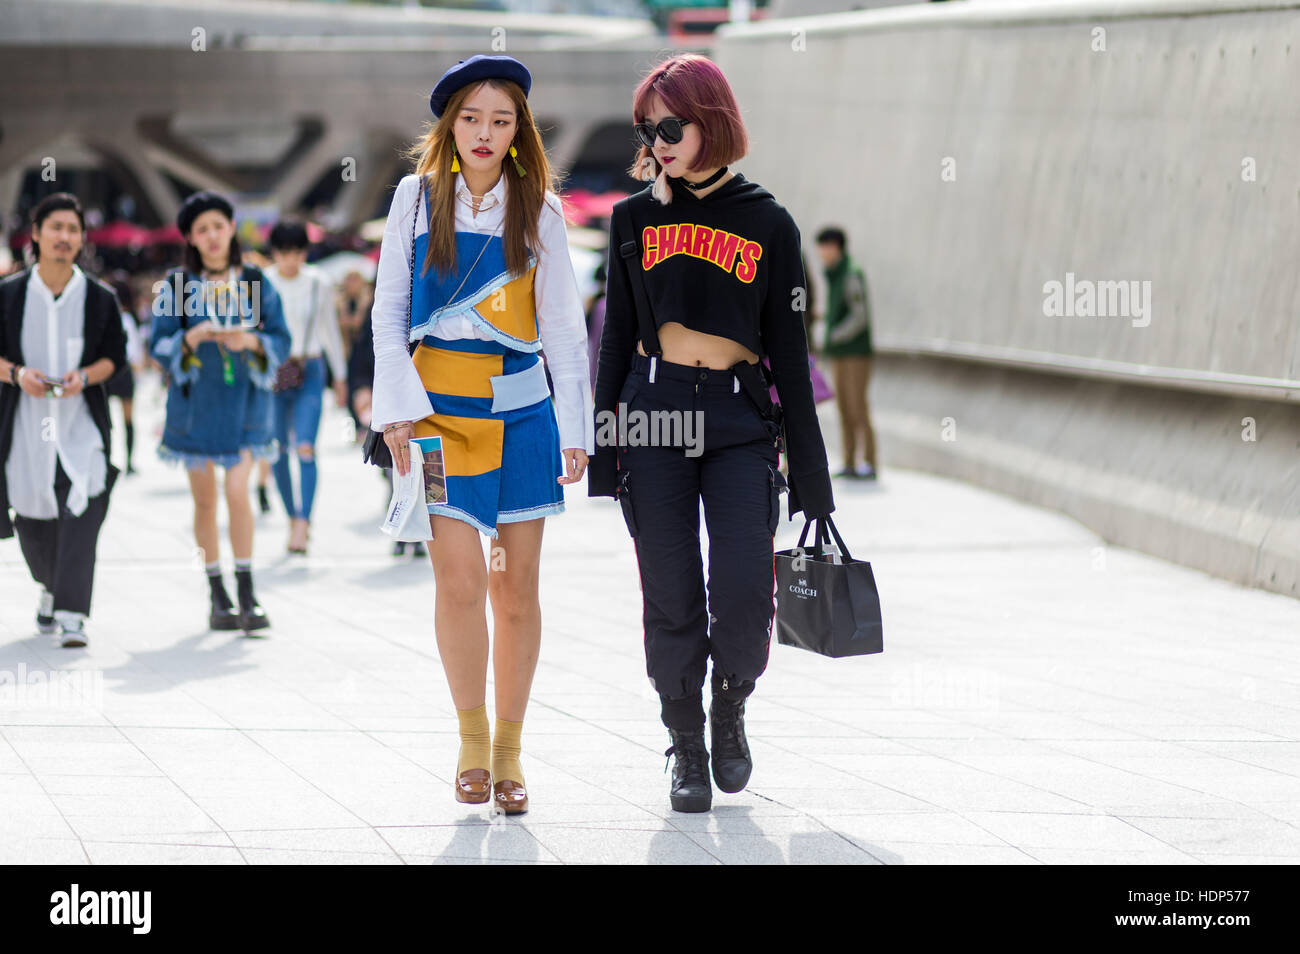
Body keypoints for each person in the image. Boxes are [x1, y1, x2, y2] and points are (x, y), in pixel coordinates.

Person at [590, 53, 835, 813]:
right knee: (667, 593)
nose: (658, 140)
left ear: (712, 121)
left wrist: (815, 480)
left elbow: (789, 356)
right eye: (647, 128)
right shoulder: (633, 219)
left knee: (740, 591)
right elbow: (617, 333)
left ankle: (730, 703)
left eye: (672, 125)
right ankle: (686, 744)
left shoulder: (769, 222)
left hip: (737, 419)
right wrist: (606, 447)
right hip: (656, 410)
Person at [370, 54, 593, 815]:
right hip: (436, 423)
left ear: (519, 131)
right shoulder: (413, 198)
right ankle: (469, 746)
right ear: (450, 126)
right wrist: (396, 415)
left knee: (516, 589)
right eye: (472, 118)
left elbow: (564, 328)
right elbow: (388, 312)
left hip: (523, 415)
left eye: (501, 120)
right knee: (459, 581)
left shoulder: (544, 210)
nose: (485, 133)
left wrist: (577, 429)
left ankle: (510, 754)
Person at [149, 191, 290, 635]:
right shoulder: (175, 284)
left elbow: (281, 339)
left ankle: (247, 589)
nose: (211, 236)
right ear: (190, 237)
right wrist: (191, 339)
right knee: (206, 499)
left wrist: (250, 341)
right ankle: (217, 592)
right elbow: (158, 342)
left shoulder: (256, 279)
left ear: (232, 228)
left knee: (236, 491)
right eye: (201, 229)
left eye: (218, 226)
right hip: (195, 406)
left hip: (248, 404)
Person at [0, 193, 127, 648]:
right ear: (35, 234)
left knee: (82, 508)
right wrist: (17, 374)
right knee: (33, 520)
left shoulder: (100, 298)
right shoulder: (9, 293)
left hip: (80, 426)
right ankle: (50, 587)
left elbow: (116, 357)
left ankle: (72, 611)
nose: (64, 237)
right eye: (55, 227)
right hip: (24, 427)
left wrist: (84, 378)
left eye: (73, 230)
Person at [264, 219, 347, 555]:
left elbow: (330, 331)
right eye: (284, 252)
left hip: (311, 368)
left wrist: (339, 377)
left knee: (306, 447)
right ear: (275, 253)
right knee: (275, 450)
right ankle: (292, 517)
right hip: (273, 372)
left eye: (297, 251)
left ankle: (303, 522)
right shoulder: (263, 283)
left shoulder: (318, 283)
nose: (290, 259)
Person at [815, 226, 877, 479]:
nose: (820, 252)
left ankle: (870, 463)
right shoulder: (835, 274)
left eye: (823, 246)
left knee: (857, 408)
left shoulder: (851, 274)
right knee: (842, 408)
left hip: (855, 353)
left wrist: (834, 334)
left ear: (834, 247)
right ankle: (850, 462)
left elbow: (859, 317)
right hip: (839, 354)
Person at [105, 274, 144, 475]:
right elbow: (135, 350)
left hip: (107, 371)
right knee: (127, 420)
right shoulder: (127, 318)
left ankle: (108, 458)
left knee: (106, 419)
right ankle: (129, 462)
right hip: (125, 371)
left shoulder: (105, 316)